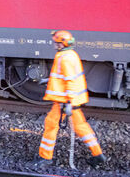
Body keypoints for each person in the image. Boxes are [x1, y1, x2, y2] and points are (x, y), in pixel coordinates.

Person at [33, 30, 106, 168]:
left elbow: (70, 81)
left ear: (63, 43)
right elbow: (65, 77)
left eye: (57, 42)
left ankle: (45, 157)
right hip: (71, 100)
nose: (55, 45)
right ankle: (98, 154)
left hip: (64, 101)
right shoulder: (71, 55)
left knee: (51, 125)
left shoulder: (64, 58)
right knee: (81, 127)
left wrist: (68, 103)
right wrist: (49, 80)